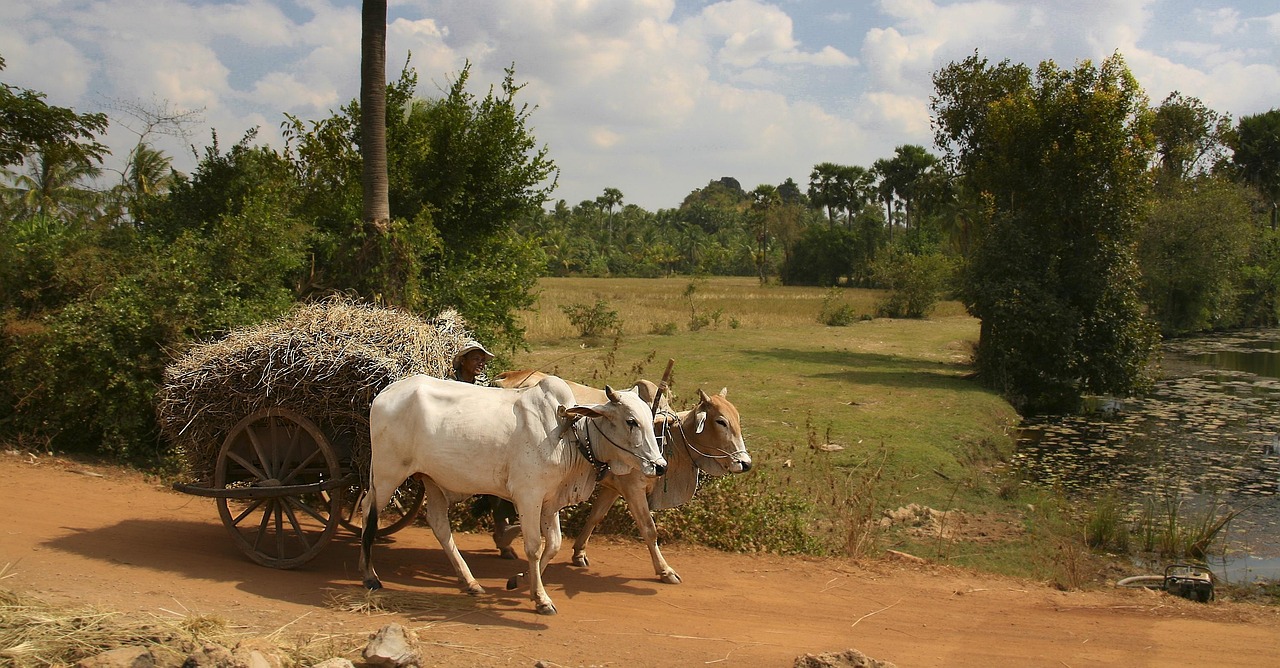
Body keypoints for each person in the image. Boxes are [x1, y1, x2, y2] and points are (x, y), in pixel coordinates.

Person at [451, 340, 522, 559]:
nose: (481, 363)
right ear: (463, 361)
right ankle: (502, 530)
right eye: (476, 359)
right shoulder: (450, 385)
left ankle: (508, 525)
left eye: (482, 360)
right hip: (455, 440)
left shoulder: (485, 386)